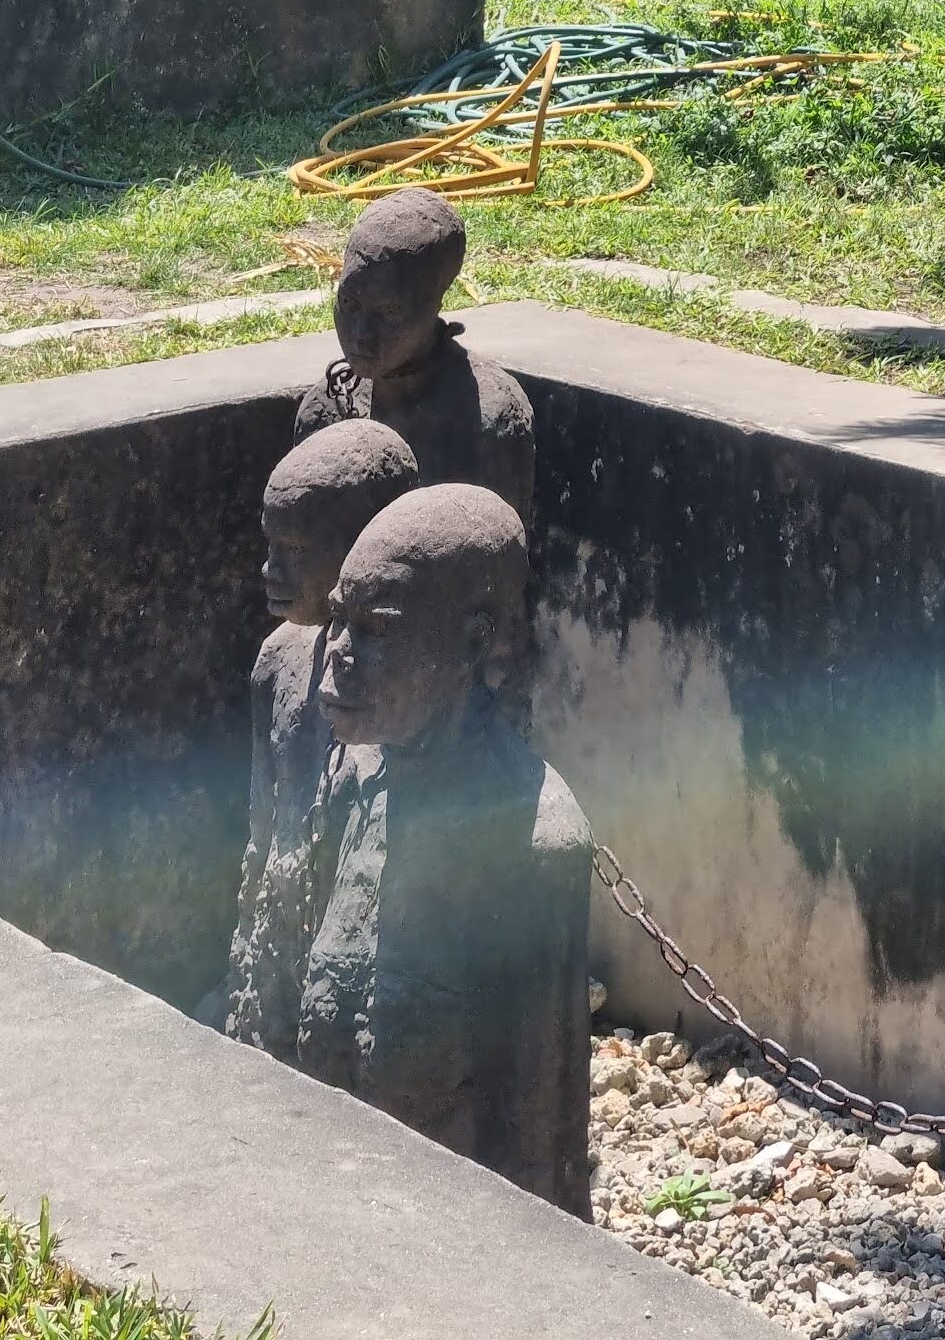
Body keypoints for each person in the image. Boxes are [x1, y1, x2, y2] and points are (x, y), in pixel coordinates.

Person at [288, 483, 593, 1211]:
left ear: (473, 640)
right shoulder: (355, 786)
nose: (337, 656)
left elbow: (542, 1158)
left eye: (378, 631)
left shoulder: (535, 845)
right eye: (338, 620)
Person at [221, 416, 420, 1049]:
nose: (270, 570)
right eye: (269, 546)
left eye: (295, 552)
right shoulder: (276, 659)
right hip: (277, 936)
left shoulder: (397, 685)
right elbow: (261, 829)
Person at [289, 186, 536, 525]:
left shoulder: (488, 421)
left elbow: (499, 560)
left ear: (436, 303)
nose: (361, 335)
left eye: (389, 312)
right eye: (348, 303)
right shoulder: (329, 407)